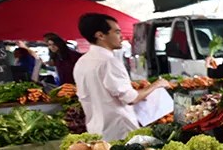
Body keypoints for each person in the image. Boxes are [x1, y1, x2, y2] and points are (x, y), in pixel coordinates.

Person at [73, 13, 171, 142]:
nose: (121, 36)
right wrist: (156, 85)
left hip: (96, 131)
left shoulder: (82, 62)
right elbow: (131, 98)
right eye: (117, 32)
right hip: (119, 132)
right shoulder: (108, 61)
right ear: (100, 35)